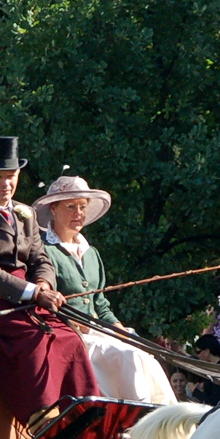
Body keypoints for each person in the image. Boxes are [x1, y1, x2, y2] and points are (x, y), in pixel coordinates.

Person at [0, 136, 100, 430]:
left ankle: (81, 409)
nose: (6, 184)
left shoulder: (25, 213)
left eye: (11, 177)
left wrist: (43, 285)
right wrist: (32, 293)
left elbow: (40, 259)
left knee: (68, 336)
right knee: (34, 337)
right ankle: (40, 414)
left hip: (27, 297)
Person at [35, 173, 175, 404]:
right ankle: (135, 413)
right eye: (70, 206)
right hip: (69, 336)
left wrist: (120, 330)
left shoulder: (92, 254)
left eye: (82, 207)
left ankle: (161, 413)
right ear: (53, 209)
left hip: (97, 330)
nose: (78, 213)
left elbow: (100, 304)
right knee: (127, 356)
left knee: (143, 352)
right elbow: (46, 302)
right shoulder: (44, 251)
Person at [183, 334, 220, 407]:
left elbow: (214, 400)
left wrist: (195, 391)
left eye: (199, 352)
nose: (198, 356)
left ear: (207, 351)